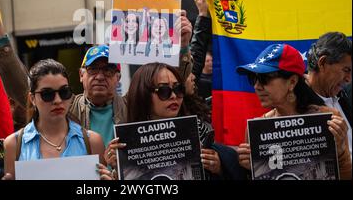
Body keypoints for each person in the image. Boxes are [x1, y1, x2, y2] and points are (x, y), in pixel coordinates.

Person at [0, 6, 194, 147]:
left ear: (118, 77)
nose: (100, 76)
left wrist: (183, 46)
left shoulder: (133, 106)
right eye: (93, 70)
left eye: (108, 71)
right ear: (81, 76)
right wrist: (2, 43)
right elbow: (24, 92)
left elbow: (171, 85)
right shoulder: (65, 108)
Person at [104, 62, 246, 180]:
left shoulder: (200, 132)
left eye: (178, 89)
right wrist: (117, 170)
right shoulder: (125, 141)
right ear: (143, 94)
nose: (173, 96)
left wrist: (220, 168)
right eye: (164, 91)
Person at [235, 43, 351, 180]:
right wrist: (251, 169)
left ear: (292, 82)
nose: (257, 86)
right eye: (253, 79)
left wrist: (340, 154)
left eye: (264, 79)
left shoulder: (328, 120)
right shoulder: (256, 130)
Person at [2, 59, 105, 179]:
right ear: (32, 98)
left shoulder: (93, 141)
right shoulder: (13, 145)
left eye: (64, 92)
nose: (57, 100)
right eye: (47, 94)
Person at [306, 32, 352, 158]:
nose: (349, 79)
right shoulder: (296, 105)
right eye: (346, 70)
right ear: (323, 62)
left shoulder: (345, 95)